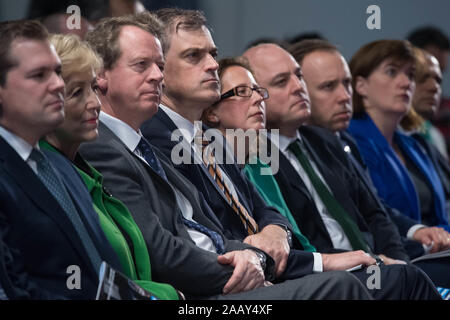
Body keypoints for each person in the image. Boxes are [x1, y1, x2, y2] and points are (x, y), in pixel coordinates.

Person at [78, 13, 370, 300]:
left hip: (240, 270)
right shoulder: (128, 143)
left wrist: (272, 239)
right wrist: (257, 266)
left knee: (389, 277)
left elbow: (242, 217)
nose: (213, 65)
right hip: (205, 290)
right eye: (194, 55)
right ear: (100, 75)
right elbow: (164, 250)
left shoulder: (167, 141)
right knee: (345, 287)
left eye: (159, 65)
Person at [243, 43, 442, 299]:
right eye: (282, 82)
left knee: (414, 273)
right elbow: (302, 241)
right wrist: (377, 264)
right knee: (409, 279)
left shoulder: (326, 140)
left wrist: (398, 260)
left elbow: (376, 215)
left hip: (374, 265)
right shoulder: (254, 155)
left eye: (299, 76)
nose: (298, 87)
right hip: (330, 273)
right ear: (256, 95)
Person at [141, 8, 304, 280]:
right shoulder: (152, 139)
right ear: (159, 68)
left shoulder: (209, 137)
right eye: (194, 56)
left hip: (265, 270)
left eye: (213, 54)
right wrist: (318, 262)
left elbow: (263, 209)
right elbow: (211, 238)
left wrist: (277, 231)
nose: (213, 65)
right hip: (230, 281)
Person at [289, 38, 450, 288]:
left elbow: (377, 214)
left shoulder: (349, 142)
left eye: (346, 83)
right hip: (342, 274)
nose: (344, 96)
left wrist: (401, 263)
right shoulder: (286, 152)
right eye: (328, 86)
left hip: (386, 260)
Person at [40, 33, 179, 299]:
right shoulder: (48, 178)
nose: (94, 103)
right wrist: (170, 295)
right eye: (76, 93)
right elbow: (82, 285)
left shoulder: (83, 170)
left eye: (93, 87)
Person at [0, 19, 123, 299]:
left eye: (56, 72)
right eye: (39, 75)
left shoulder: (58, 165)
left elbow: (103, 270)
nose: (57, 84)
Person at [347, 40, 450, 235]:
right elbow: (373, 214)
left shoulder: (416, 145)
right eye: (392, 72)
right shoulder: (350, 142)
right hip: (396, 255)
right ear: (361, 85)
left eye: (410, 75)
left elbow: (441, 212)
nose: (405, 83)